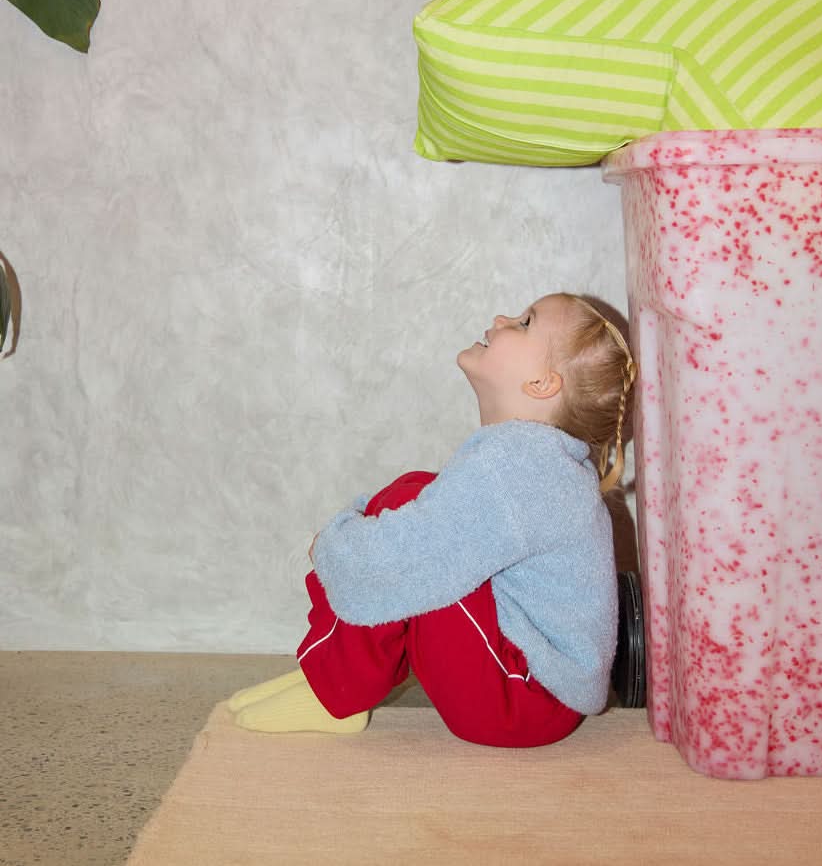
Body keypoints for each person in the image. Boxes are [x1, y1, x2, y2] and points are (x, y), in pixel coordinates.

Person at [227, 292, 637, 747]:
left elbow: (405, 559)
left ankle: (334, 693)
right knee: (415, 494)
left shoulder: (517, 468)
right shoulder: (536, 462)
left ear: (542, 383)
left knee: (412, 550)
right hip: (534, 693)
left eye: (523, 323)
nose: (501, 318)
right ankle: (328, 678)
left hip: (524, 702)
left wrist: (331, 545)